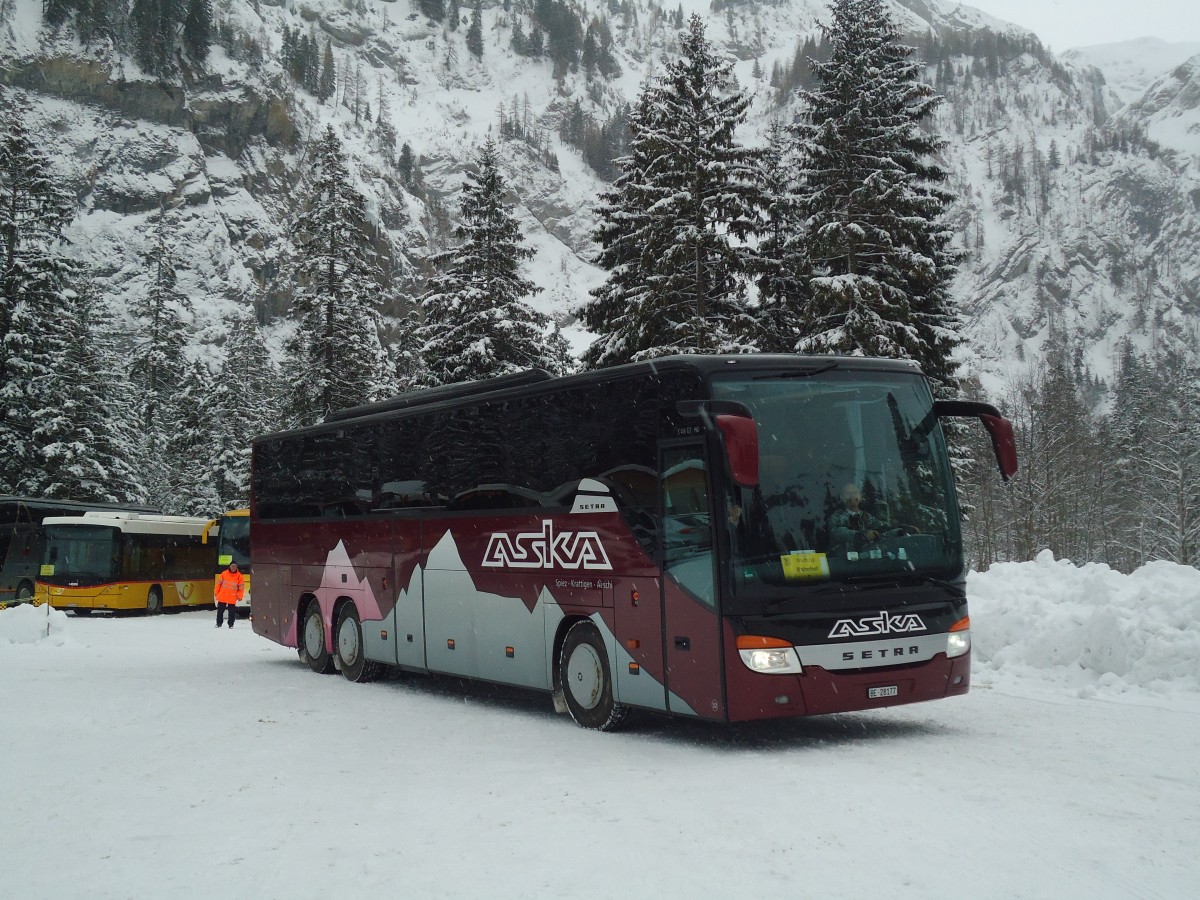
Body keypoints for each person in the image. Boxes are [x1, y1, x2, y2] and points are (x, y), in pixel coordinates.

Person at [829, 483, 888, 553]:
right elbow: (838, 532)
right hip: (844, 559)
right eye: (848, 493)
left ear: (860, 496)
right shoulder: (837, 516)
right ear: (842, 497)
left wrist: (896, 528)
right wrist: (862, 535)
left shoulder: (866, 516)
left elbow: (881, 525)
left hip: (867, 558)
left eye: (855, 493)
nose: (852, 496)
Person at [214, 561, 244, 628]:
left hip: (232, 597)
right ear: (229, 567)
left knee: (232, 612)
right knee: (220, 611)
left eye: (235, 566)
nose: (233, 568)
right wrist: (216, 592)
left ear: (236, 567)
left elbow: (241, 588)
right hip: (223, 596)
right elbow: (218, 584)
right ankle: (218, 623)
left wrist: (240, 596)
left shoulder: (239, 576)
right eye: (232, 566)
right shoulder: (224, 574)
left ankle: (231, 624)